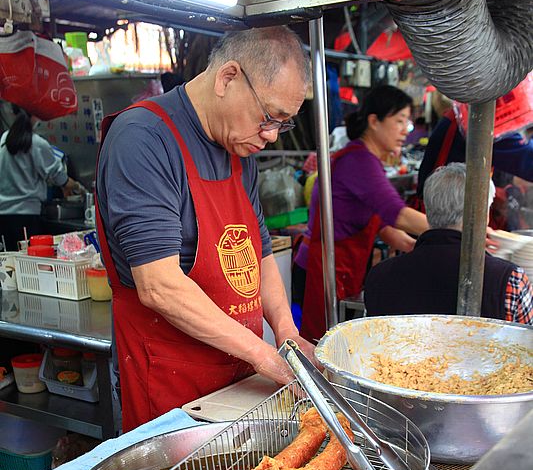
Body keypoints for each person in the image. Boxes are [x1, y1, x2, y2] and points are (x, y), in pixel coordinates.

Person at [95, 26, 316, 432]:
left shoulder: (238, 144)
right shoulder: (144, 139)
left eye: (281, 124)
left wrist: (286, 333)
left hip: (236, 372)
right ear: (228, 77)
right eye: (268, 117)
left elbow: (259, 249)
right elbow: (158, 285)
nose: (270, 135)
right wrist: (264, 356)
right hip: (171, 378)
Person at [298, 85, 428, 343]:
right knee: (323, 349)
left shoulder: (367, 160)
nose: (405, 130)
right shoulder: (359, 161)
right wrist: (461, 234)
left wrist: (427, 246)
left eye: (408, 123)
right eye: (399, 121)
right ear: (374, 121)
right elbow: (397, 214)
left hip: (341, 270)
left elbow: (387, 230)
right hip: (323, 269)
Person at [364, 163, 533, 324]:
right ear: (483, 214)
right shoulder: (512, 280)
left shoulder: (378, 276)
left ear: (428, 210)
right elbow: (526, 347)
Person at [0, 106, 81, 249]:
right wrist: (76, 186)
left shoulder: (5, 138)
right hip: (27, 217)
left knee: (10, 262)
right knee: (27, 262)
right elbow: (59, 177)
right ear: (36, 117)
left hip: (4, 216)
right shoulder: (37, 143)